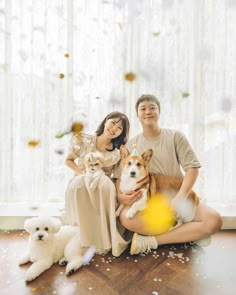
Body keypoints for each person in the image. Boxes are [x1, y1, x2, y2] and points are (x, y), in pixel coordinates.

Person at [116, 94, 223, 255]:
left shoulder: (175, 136)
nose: (148, 112)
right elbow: (119, 176)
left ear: (159, 112)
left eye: (152, 108)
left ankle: (152, 240)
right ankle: (187, 233)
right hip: (151, 203)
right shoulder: (132, 145)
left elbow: (192, 168)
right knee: (125, 217)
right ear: (137, 114)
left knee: (214, 221)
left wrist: (179, 199)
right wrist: (121, 197)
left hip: (180, 196)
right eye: (142, 109)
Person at [63, 111, 131, 257]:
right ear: (106, 121)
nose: (114, 128)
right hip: (82, 179)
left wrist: (119, 194)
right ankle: (80, 238)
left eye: (119, 128)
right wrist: (82, 173)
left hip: (102, 186)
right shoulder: (84, 140)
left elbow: (117, 177)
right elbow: (68, 160)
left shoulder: (117, 153)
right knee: (80, 183)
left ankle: (100, 239)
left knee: (104, 184)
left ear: (121, 133)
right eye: (113, 122)